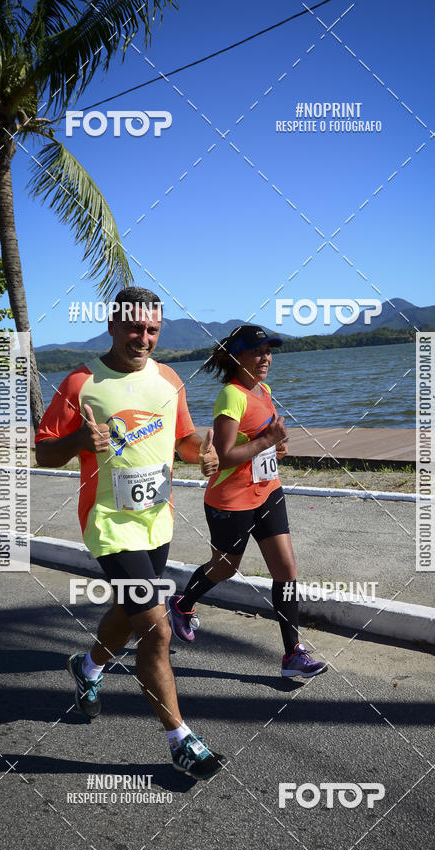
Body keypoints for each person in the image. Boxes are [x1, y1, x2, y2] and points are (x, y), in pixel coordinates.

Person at [35, 286, 227, 780]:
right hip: (109, 524)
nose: (143, 338)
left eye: (153, 330)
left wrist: (202, 455)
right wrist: (79, 438)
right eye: (135, 328)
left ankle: (88, 667)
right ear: (113, 325)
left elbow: (183, 441)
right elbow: (45, 453)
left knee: (128, 610)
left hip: (156, 522)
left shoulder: (167, 379)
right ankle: (180, 739)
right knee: (157, 629)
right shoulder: (80, 382)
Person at [167, 324, 326, 679]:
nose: (266, 357)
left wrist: (277, 446)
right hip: (230, 500)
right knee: (224, 568)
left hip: (268, 491)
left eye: (269, 351)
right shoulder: (231, 395)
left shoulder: (264, 390)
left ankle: (292, 656)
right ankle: (182, 603)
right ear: (237, 356)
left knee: (286, 570)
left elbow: (262, 445)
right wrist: (266, 440)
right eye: (258, 351)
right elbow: (222, 456)